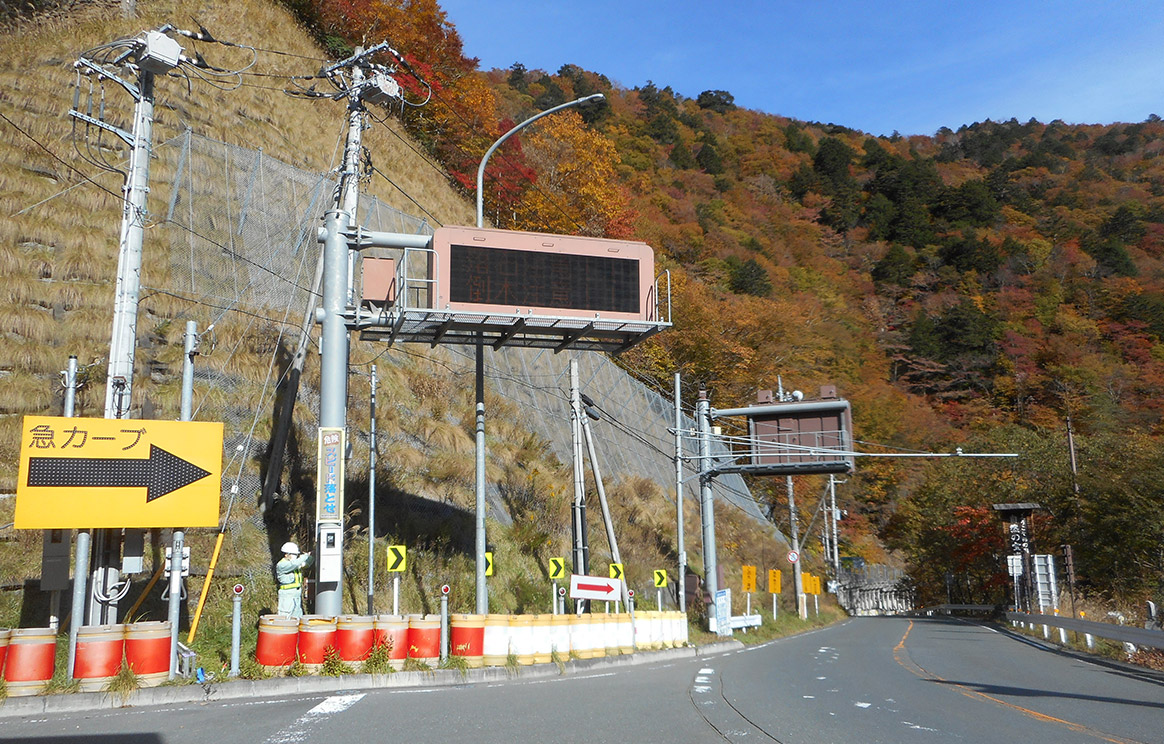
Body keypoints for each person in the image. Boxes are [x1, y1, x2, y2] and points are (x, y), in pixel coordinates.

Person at [276, 541, 313, 618]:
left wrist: (311, 556)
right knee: (285, 617)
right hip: (287, 595)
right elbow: (295, 564)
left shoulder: (294, 563)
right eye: (294, 554)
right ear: (286, 554)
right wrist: (305, 556)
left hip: (296, 594)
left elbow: (306, 564)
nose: (296, 556)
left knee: (297, 617)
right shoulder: (282, 565)